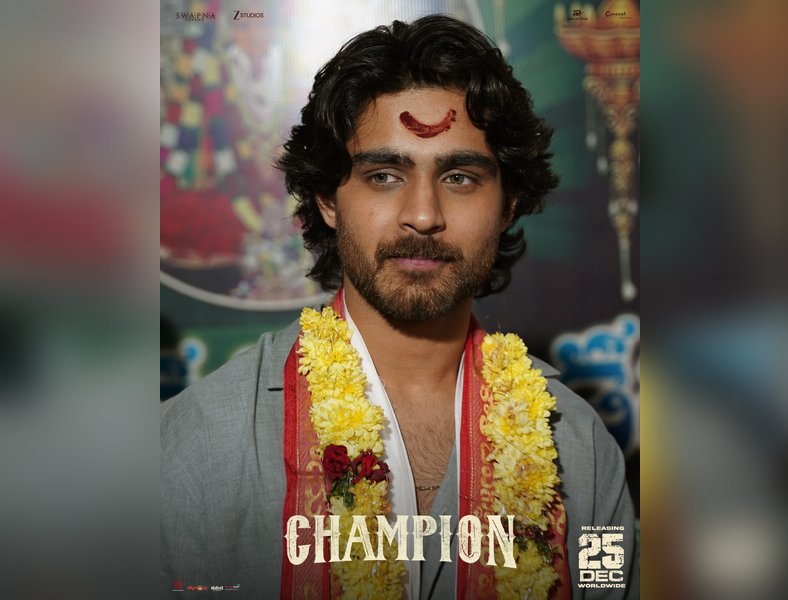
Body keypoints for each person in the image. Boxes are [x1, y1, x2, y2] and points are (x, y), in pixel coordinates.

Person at [161, 15, 639, 600]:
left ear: (508, 204)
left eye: (460, 177)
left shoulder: (582, 452)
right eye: (384, 175)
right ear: (328, 200)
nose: (422, 214)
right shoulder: (199, 446)